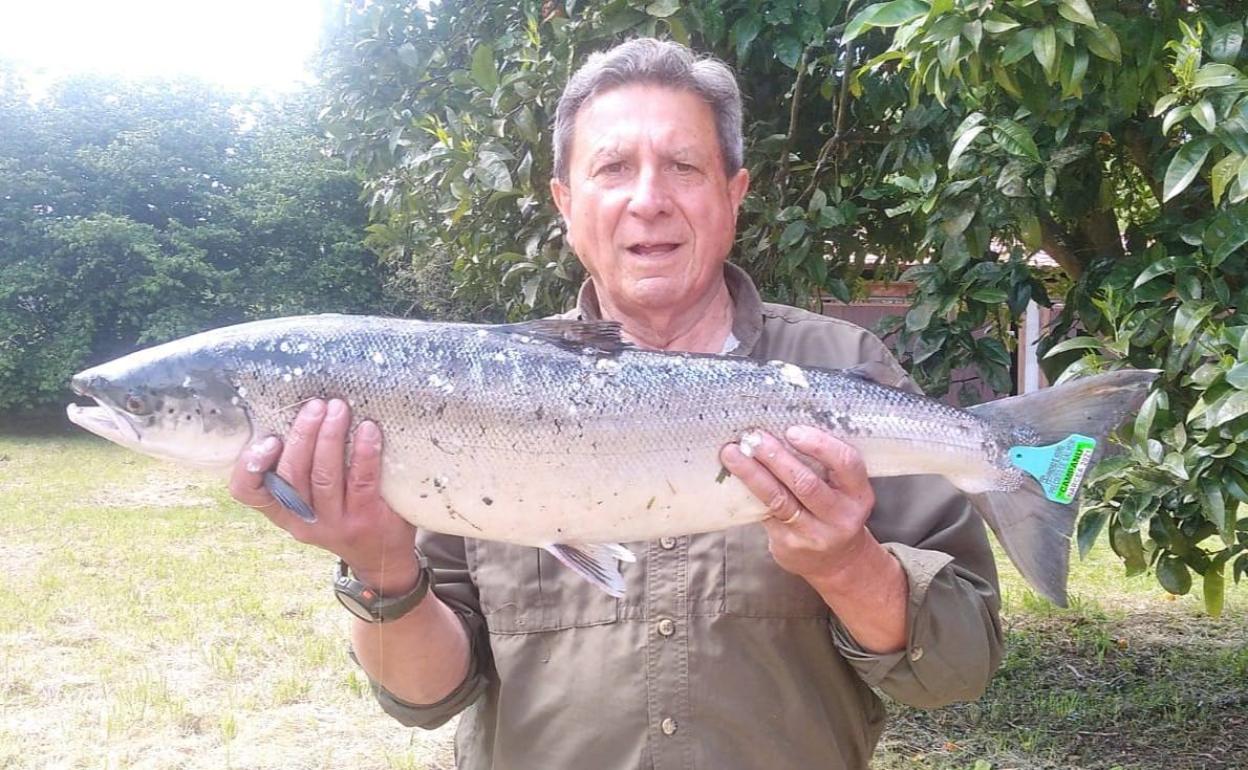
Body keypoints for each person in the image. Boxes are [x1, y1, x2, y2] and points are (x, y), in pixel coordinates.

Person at [229, 38, 1003, 770]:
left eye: (683, 166)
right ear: (566, 203)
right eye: (611, 168)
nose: (648, 199)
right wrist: (380, 570)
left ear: (734, 194)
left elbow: (959, 668)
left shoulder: (847, 371)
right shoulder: (458, 395)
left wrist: (848, 566)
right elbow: (427, 697)